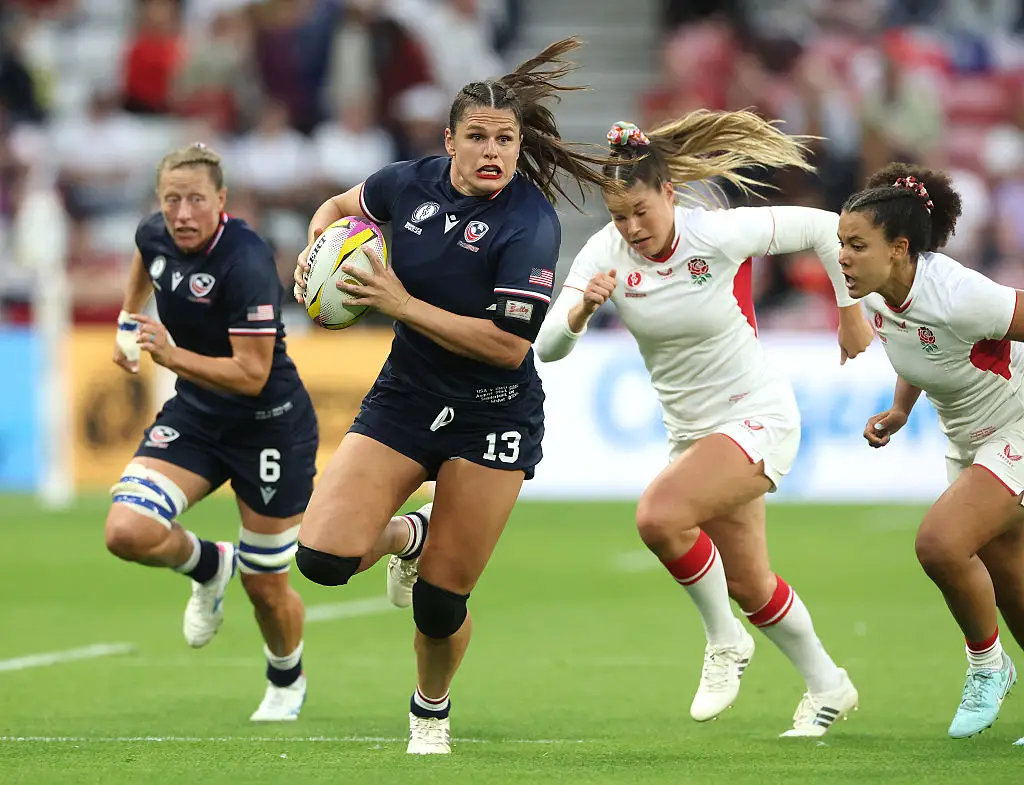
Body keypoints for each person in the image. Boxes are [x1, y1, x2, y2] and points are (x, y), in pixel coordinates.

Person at [290, 37, 618, 754]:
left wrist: (397, 302)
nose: (493, 150)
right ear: (450, 141)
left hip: (492, 410)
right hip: (407, 395)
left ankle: (429, 708)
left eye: (506, 138)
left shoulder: (528, 223)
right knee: (319, 559)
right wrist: (319, 252)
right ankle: (411, 531)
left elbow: (508, 344)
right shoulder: (406, 184)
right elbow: (337, 207)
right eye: (478, 136)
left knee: (439, 603)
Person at [535, 115, 875, 736]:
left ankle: (724, 644)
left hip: (757, 416)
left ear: (667, 192)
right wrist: (583, 307)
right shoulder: (605, 254)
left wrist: (850, 312)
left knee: (658, 517)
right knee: (750, 583)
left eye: (641, 210)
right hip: (693, 435)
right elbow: (548, 347)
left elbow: (830, 228)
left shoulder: (715, 234)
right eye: (619, 217)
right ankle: (830, 684)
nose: (632, 229)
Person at [105, 143, 322, 721]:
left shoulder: (247, 261)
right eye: (171, 200)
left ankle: (285, 680)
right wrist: (129, 321)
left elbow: (251, 376)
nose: (181, 213)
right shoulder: (156, 234)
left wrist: (170, 356)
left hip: (270, 428)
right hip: (199, 416)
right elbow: (144, 258)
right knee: (126, 530)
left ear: (220, 202)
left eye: (195, 199)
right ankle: (208, 565)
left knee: (265, 585)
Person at [843, 163, 1024, 739]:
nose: (842, 257)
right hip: (967, 441)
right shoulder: (877, 294)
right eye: (840, 244)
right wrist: (901, 411)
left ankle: (986, 666)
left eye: (856, 245)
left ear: (899, 249)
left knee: (941, 543)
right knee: (1010, 577)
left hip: (1016, 427)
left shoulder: (959, 294)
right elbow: (925, 354)